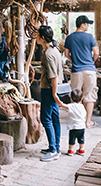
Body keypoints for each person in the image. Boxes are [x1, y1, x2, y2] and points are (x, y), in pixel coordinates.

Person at [64, 15, 99, 128]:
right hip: (89, 70)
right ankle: (88, 121)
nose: (88, 26)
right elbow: (96, 53)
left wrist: (74, 60)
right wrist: (91, 62)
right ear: (82, 25)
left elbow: (66, 54)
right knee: (90, 97)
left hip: (76, 71)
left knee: (75, 96)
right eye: (87, 24)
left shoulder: (69, 38)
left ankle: (76, 120)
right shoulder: (90, 37)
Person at [37, 25, 65, 162]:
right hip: (54, 88)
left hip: (49, 89)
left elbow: (53, 77)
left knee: (45, 119)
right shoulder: (54, 50)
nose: (35, 37)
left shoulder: (48, 54)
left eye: (37, 35)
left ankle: (53, 150)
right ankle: (56, 147)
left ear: (42, 38)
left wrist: (54, 94)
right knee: (54, 119)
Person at [61, 88, 87, 155]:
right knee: (81, 139)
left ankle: (71, 150)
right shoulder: (82, 106)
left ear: (71, 98)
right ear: (82, 99)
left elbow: (63, 105)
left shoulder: (71, 106)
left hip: (73, 127)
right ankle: (81, 150)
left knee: (72, 139)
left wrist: (58, 100)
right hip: (81, 127)